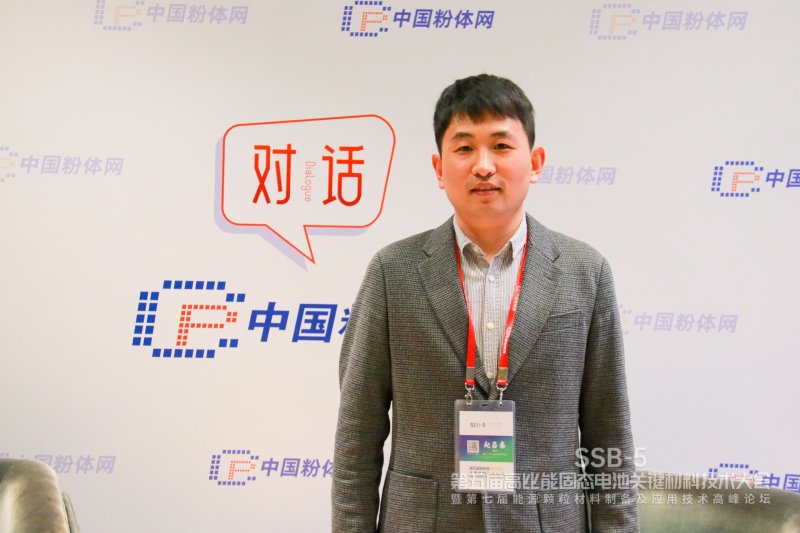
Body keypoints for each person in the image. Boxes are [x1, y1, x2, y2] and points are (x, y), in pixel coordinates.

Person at [332, 74, 639, 532]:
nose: (483, 165)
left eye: (500, 146)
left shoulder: (585, 271)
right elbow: (358, 431)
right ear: (439, 168)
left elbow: (608, 431)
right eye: (464, 148)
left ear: (535, 162)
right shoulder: (392, 271)